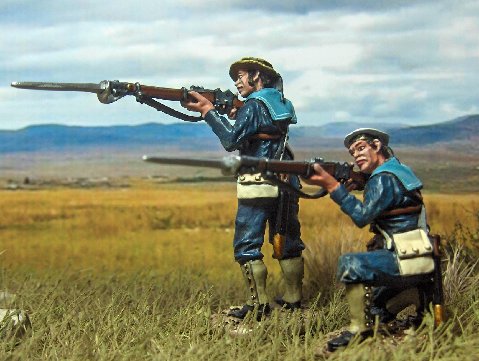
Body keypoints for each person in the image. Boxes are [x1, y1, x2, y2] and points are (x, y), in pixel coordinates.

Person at [182, 57, 305, 320]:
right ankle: (294, 300)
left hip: (258, 182)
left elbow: (230, 140)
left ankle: (259, 305)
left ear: (257, 76)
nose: (237, 82)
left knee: (247, 245)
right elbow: (261, 131)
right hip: (286, 179)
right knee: (286, 240)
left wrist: (208, 111)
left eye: (240, 76)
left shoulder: (253, 105)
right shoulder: (281, 103)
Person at [304, 128, 434, 351]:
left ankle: (359, 331)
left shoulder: (382, 180)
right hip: (418, 250)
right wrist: (358, 183)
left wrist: (333, 187)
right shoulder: (398, 170)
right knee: (373, 306)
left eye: (361, 148)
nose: (356, 155)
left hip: (404, 256)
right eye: (353, 152)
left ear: (377, 146)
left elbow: (362, 216)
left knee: (351, 264)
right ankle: (414, 296)